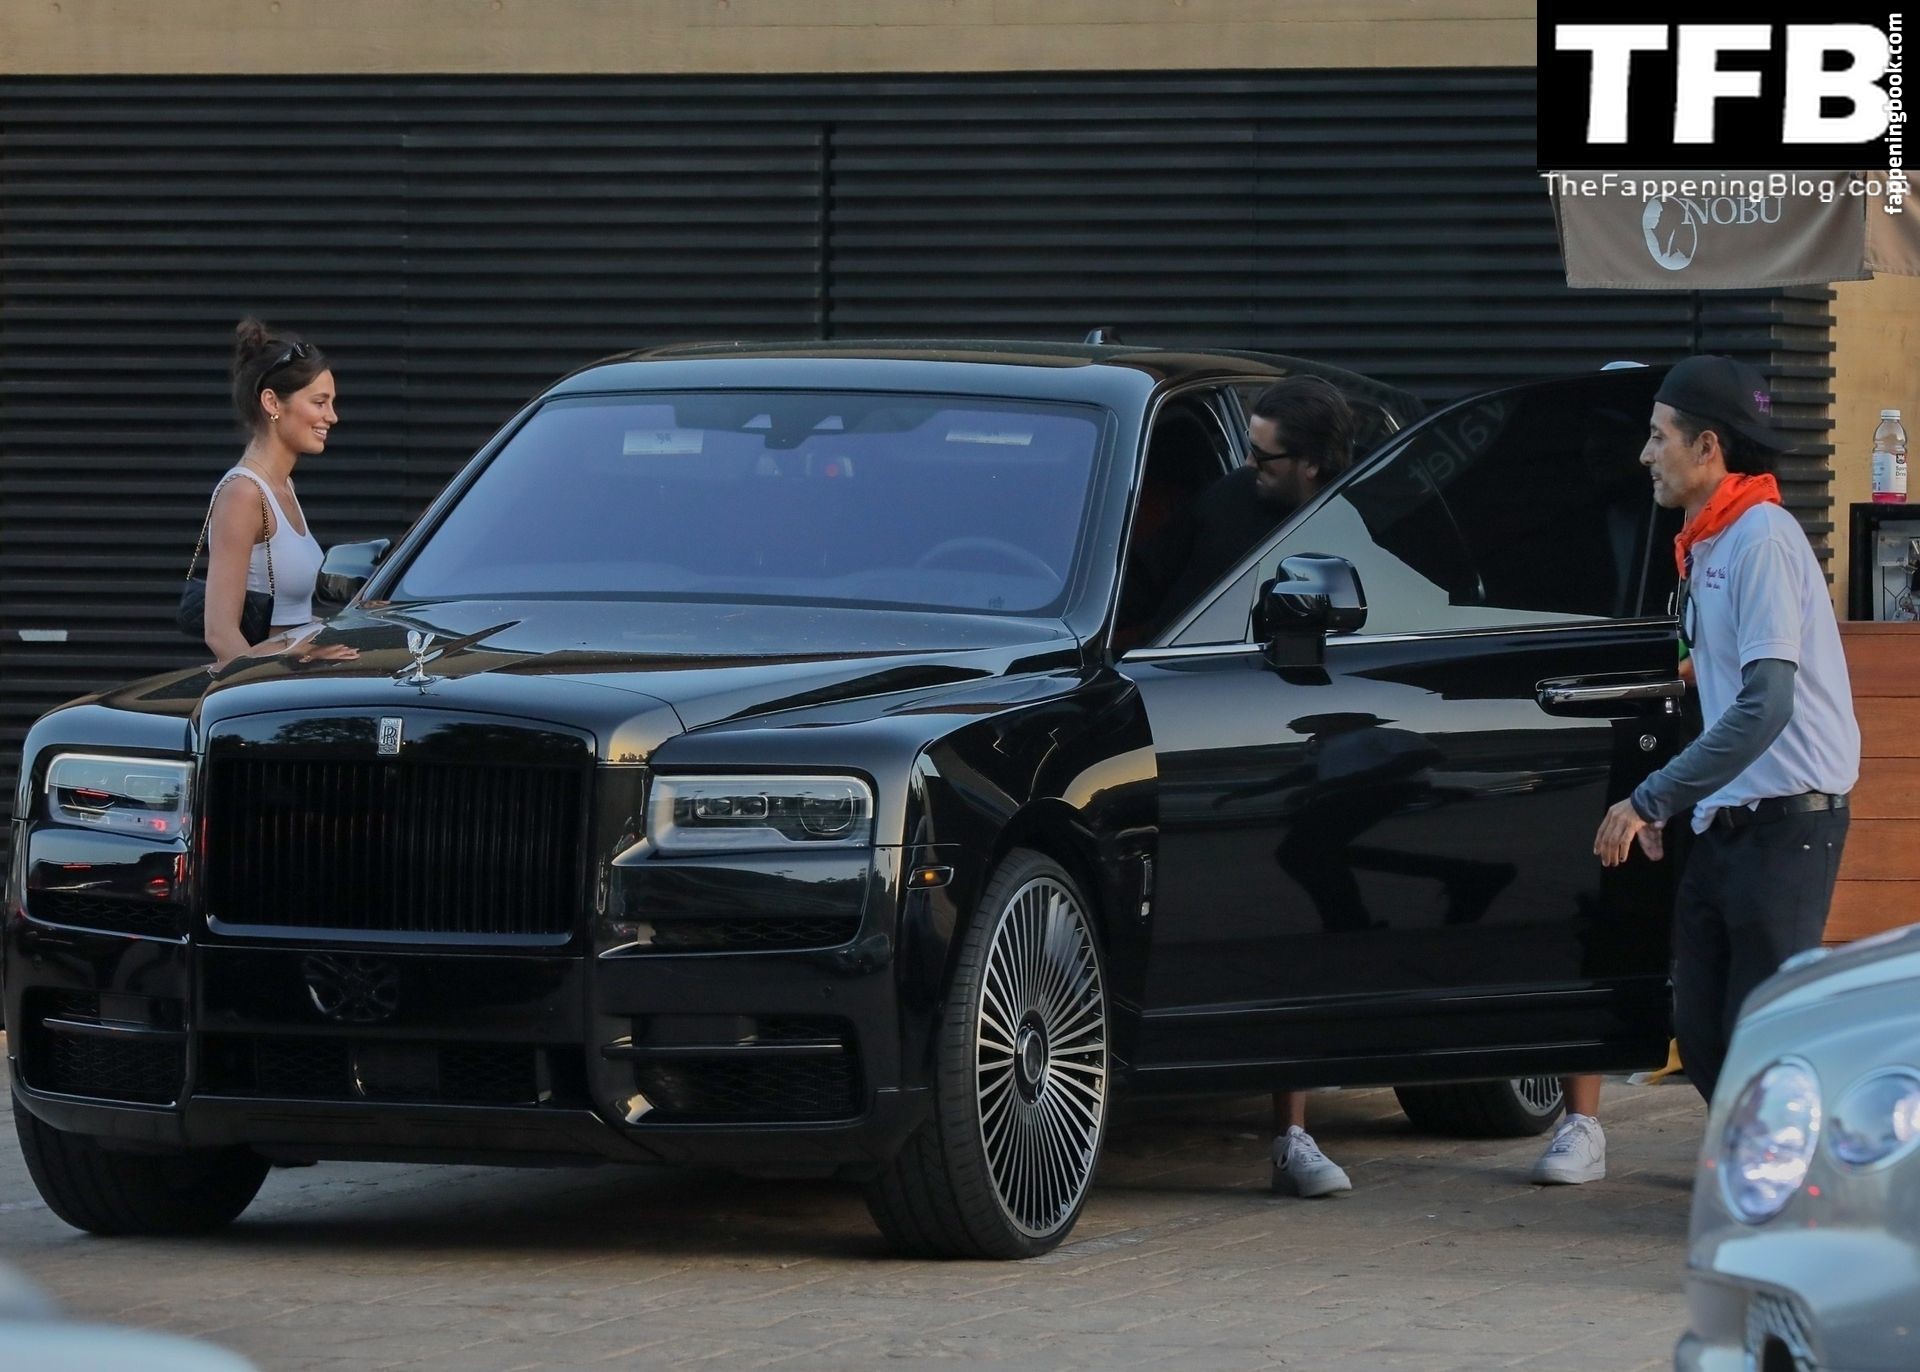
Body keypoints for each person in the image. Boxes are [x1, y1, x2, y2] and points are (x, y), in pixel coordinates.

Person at [1538, 356, 1861, 1187]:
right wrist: (1683, 798)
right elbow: (1714, 687)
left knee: (1763, 1037)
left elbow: (1765, 705)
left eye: (1659, 437)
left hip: (1788, 823)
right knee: (1703, 1031)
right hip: (1728, 820)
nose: (1645, 454)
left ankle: (1802, 1195)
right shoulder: (1711, 540)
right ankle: (1775, 1185)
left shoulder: (1762, 540)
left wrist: (1652, 798)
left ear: (1708, 446)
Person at [1123, 375, 1355, 643]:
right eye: (1249, 446)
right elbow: (1145, 581)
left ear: (1312, 463)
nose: (1249, 463)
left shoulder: (1354, 535)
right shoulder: (1231, 495)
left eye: (1261, 455)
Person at [201, 318, 349, 668]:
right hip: (270, 687)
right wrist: (295, 661)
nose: (332, 416)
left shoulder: (283, 487)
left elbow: (290, 619)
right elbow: (220, 634)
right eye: (320, 402)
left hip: (296, 679)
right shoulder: (243, 494)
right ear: (272, 403)